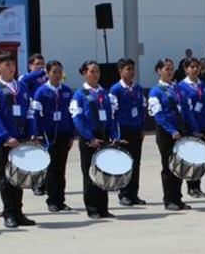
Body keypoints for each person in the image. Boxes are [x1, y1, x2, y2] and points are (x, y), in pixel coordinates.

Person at [0, 52, 40, 229]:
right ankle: (9, 213)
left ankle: (18, 212)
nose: (11, 68)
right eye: (6, 65)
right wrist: (5, 136)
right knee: (6, 178)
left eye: (13, 65)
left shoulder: (22, 86)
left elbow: (30, 112)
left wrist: (32, 132)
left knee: (20, 177)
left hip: (22, 139)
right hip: (6, 141)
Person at [72, 60, 121, 219]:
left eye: (97, 71)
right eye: (92, 71)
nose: (95, 75)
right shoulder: (80, 94)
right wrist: (90, 137)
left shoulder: (104, 93)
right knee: (90, 174)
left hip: (103, 135)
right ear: (84, 73)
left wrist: (114, 135)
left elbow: (111, 117)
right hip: (89, 137)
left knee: (104, 173)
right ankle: (92, 208)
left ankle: (103, 207)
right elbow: (78, 118)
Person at [148, 58, 197, 211]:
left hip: (180, 132)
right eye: (166, 69)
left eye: (171, 69)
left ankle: (178, 198)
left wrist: (194, 129)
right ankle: (169, 200)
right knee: (169, 167)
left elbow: (187, 111)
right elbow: (158, 115)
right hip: (167, 134)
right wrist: (171, 131)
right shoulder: (156, 91)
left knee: (180, 167)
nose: (170, 72)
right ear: (159, 71)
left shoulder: (177, 89)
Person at [33, 60, 76, 212]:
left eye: (59, 72)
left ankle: (61, 200)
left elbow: (71, 114)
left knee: (61, 169)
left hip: (64, 133)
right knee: (51, 168)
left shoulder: (66, 91)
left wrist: (72, 135)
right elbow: (36, 114)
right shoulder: (41, 92)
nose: (57, 75)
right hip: (48, 134)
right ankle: (52, 200)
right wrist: (37, 134)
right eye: (54, 72)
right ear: (48, 73)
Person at [110, 57, 148, 206]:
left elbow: (141, 109)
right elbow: (112, 113)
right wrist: (114, 133)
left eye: (133, 69)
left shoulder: (138, 88)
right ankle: (124, 194)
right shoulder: (116, 89)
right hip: (123, 130)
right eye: (128, 69)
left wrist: (142, 128)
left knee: (136, 163)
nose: (131, 72)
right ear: (120, 71)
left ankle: (134, 194)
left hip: (136, 130)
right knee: (124, 163)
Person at [178, 58, 205, 198]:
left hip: (203, 125)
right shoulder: (181, 86)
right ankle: (191, 186)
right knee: (191, 157)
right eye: (192, 67)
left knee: (200, 158)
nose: (195, 69)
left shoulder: (204, 85)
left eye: (197, 67)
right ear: (186, 69)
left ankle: (197, 186)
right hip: (190, 126)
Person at [20, 53, 50, 195]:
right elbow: (26, 79)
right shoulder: (25, 78)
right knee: (35, 151)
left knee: (48, 151)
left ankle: (47, 181)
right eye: (36, 64)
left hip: (47, 118)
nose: (39, 66)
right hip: (32, 118)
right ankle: (36, 183)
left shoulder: (47, 79)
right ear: (30, 66)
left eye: (42, 64)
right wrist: (44, 71)